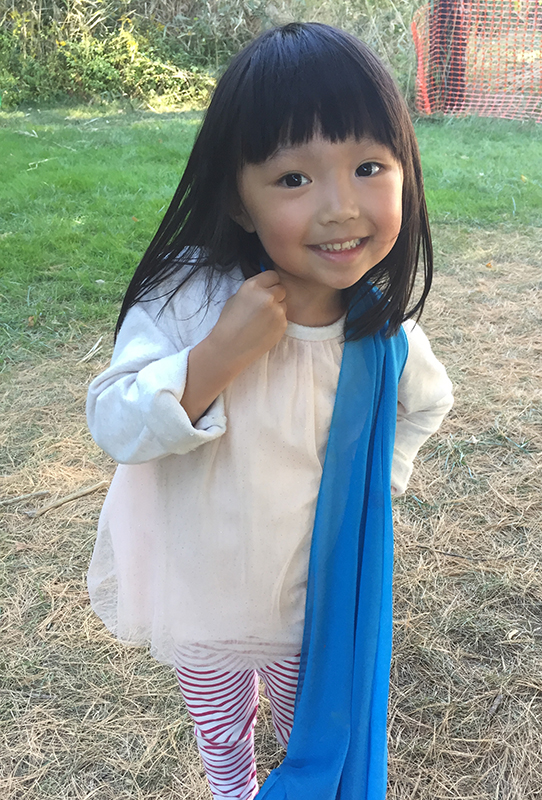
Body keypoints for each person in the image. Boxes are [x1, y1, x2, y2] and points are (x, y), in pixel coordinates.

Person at [86, 22, 453, 800]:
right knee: (224, 731)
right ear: (238, 199)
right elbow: (114, 420)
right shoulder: (190, 298)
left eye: (367, 166)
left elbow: (427, 404)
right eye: (294, 179)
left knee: (312, 725)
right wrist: (217, 355)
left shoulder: (384, 330)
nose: (340, 208)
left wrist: (378, 485)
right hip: (206, 585)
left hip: (313, 598)